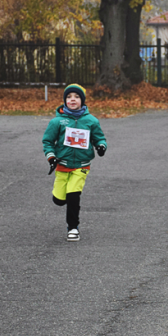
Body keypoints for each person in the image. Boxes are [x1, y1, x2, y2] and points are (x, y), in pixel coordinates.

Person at [42, 84, 107, 242]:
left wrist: (101, 146)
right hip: (62, 164)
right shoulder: (57, 122)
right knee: (59, 200)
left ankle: (73, 228)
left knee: (73, 195)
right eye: (69, 96)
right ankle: (61, 199)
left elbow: (99, 137)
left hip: (82, 165)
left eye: (77, 97)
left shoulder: (91, 121)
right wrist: (51, 157)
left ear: (82, 101)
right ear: (65, 100)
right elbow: (48, 141)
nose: (73, 99)